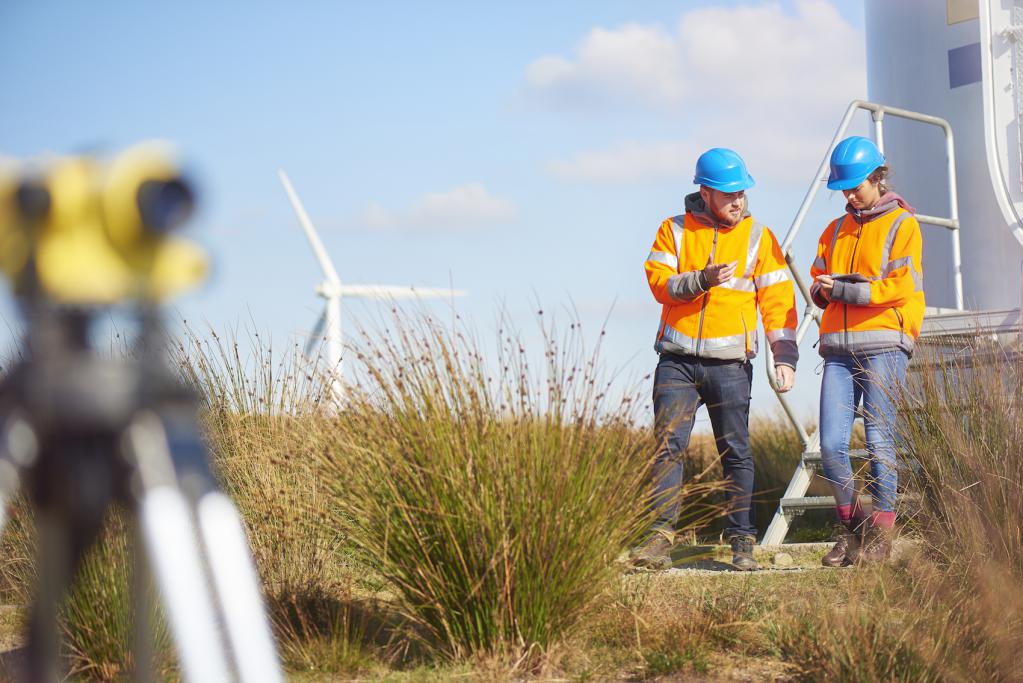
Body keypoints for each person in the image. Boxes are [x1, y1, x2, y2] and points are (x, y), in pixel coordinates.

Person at [636, 148, 798, 571]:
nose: (737, 201)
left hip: (730, 366)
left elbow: (778, 300)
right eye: (728, 194)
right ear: (704, 192)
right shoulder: (672, 230)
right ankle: (659, 539)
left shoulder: (759, 237)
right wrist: (701, 280)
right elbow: (660, 284)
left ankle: (741, 542)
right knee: (667, 448)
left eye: (741, 193)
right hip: (676, 360)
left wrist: (785, 355)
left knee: (736, 451)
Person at [810, 136, 925, 566]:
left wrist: (841, 289)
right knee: (831, 447)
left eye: (855, 185)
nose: (849, 194)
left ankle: (881, 536)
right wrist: (822, 292)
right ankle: (854, 531)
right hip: (837, 351)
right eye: (843, 187)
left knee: (879, 442)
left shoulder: (903, 225)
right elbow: (819, 277)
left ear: (878, 178)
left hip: (885, 347)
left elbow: (902, 287)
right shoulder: (833, 230)